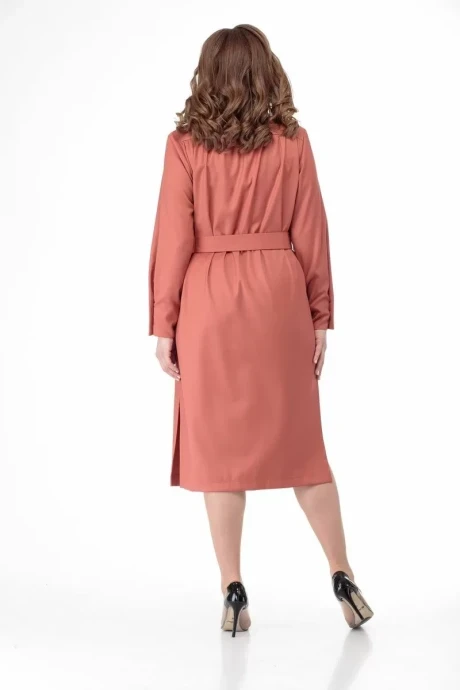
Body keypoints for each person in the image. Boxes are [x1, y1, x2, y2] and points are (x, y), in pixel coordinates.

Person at [148, 24, 373, 636]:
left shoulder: (184, 146)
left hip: (209, 302)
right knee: (303, 447)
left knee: (220, 454)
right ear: (266, 72)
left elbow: (173, 239)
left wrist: (164, 323)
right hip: (280, 299)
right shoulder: (293, 143)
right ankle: (343, 574)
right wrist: (320, 315)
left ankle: (233, 588)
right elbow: (313, 232)